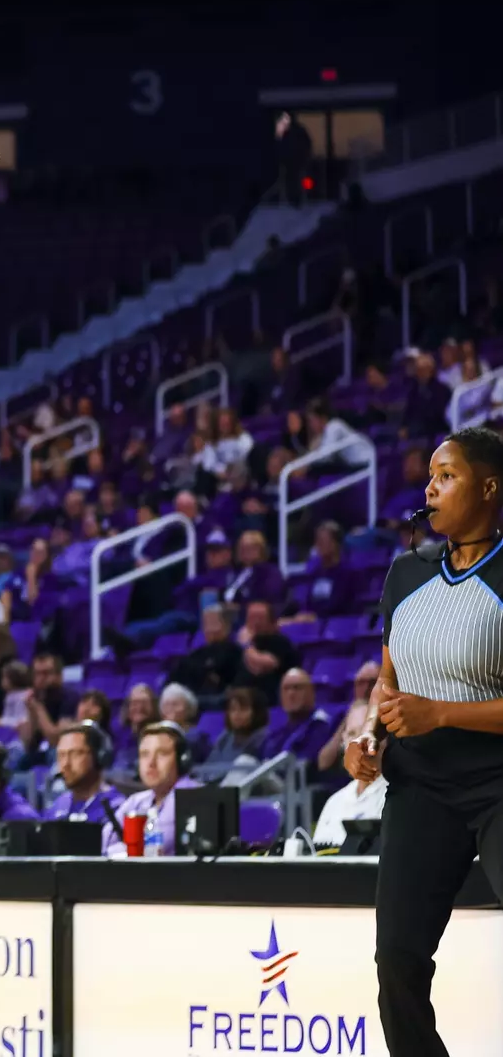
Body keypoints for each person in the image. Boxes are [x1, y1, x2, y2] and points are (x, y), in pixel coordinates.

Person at [346, 427, 503, 1056]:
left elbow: (430, 704)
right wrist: (368, 734)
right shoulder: (407, 570)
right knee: (398, 964)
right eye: (429, 477)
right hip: (420, 789)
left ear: (490, 487)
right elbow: (389, 679)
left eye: (447, 476)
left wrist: (441, 713)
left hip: (496, 783)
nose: (430, 488)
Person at [101, 722, 200, 856]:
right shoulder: (136, 801)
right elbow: (105, 842)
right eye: (144, 754)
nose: (151, 763)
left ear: (182, 759)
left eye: (162, 754)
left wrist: (127, 849)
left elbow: (162, 846)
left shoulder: (195, 796)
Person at [313, 704, 386, 847]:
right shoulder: (334, 802)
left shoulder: (397, 797)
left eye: (366, 732)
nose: (359, 743)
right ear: (343, 741)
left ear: (384, 739)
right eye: (352, 734)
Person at [43, 723, 120, 821]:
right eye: (61, 755)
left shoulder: (117, 808)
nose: (66, 764)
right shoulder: (58, 806)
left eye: (75, 754)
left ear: (98, 757)